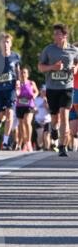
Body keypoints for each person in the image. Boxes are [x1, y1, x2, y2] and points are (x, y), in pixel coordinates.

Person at [38, 23, 78, 157]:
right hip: (52, 88)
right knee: (55, 119)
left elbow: (77, 63)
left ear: (65, 35)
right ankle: (54, 129)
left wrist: (75, 69)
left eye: (58, 34)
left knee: (64, 115)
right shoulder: (48, 50)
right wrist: (53, 67)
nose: (55, 36)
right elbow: (41, 68)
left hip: (67, 88)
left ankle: (62, 146)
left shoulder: (74, 51)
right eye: (54, 34)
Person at [0, 33, 21, 150]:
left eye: (8, 42)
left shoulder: (15, 56)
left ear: (10, 44)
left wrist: (18, 81)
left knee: (9, 114)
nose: (6, 44)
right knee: (0, 115)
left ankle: (6, 142)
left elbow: (18, 70)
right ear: (0, 44)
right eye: (3, 42)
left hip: (11, 88)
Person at [15, 67, 38, 152]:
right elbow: (16, 94)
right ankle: (25, 142)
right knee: (21, 125)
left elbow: (36, 91)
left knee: (27, 122)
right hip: (19, 105)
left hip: (29, 105)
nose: (23, 74)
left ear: (27, 74)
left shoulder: (31, 83)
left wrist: (34, 96)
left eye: (25, 72)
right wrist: (17, 90)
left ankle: (28, 142)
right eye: (21, 73)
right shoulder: (18, 83)